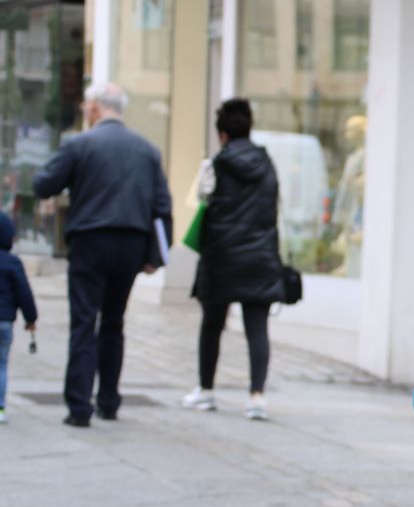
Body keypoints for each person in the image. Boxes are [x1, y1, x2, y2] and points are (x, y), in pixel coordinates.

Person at [33, 82, 171, 427]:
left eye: (85, 105)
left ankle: (79, 406)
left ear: (95, 108)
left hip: (90, 241)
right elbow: (162, 207)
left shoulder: (80, 144)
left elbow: (43, 184)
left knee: (84, 321)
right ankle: (109, 400)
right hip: (131, 244)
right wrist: (156, 256)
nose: (83, 110)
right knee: (114, 322)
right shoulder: (147, 150)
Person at [182, 99, 284, 421]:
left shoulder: (215, 164)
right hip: (259, 255)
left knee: (212, 325)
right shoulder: (267, 164)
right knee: (257, 327)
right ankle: (257, 397)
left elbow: (202, 203)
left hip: (221, 256)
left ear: (222, 133)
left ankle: (206, 391)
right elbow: (274, 207)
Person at [0, 210, 40, 425]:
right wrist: (31, 319)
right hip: (4, 322)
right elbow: (24, 292)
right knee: (1, 365)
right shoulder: (13, 262)